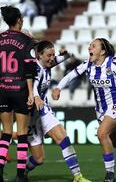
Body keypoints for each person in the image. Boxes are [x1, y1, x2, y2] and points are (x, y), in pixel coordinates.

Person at [52, 38, 116, 182]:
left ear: (103, 51)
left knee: (101, 134)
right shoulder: (88, 64)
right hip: (101, 109)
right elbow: (71, 75)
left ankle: (110, 174)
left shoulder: (112, 63)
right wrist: (58, 87)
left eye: (93, 46)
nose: (90, 48)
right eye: (89, 46)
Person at [25, 40, 90, 182]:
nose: (52, 58)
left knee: (63, 137)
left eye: (53, 55)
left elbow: (64, 58)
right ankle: (22, 171)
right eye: (49, 55)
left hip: (44, 111)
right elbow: (34, 85)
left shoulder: (48, 62)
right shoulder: (34, 68)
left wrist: (65, 54)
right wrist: (36, 97)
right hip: (30, 115)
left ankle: (78, 176)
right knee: (39, 158)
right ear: (39, 55)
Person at [0, 6, 36, 182]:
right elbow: (30, 69)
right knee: (22, 133)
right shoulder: (26, 40)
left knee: (6, 132)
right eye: (22, 17)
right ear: (18, 20)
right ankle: (20, 174)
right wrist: (31, 92)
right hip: (20, 89)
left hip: (2, 89)